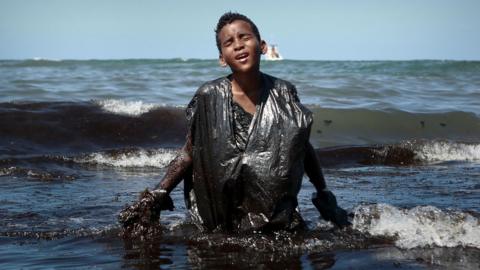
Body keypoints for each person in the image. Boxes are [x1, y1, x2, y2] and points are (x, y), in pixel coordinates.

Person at [119, 12, 350, 234]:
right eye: (229, 42)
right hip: (223, 221)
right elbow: (190, 152)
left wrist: (323, 191)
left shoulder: (284, 92)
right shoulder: (208, 96)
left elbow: (301, 146)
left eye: (244, 37)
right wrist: (158, 193)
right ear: (222, 58)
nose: (238, 45)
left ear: (262, 46)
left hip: (277, 220)